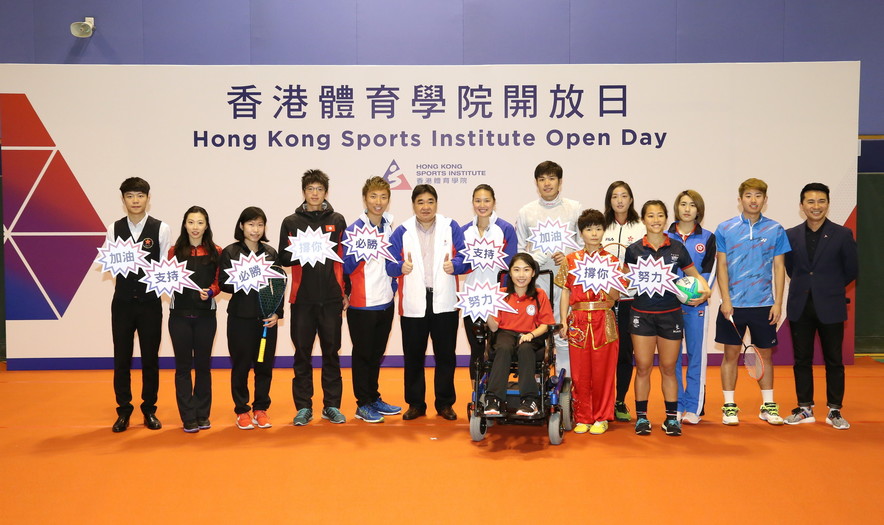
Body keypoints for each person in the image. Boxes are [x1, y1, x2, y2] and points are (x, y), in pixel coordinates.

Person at [625, 201, 710, 436]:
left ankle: (672, 418)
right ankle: (642, 418)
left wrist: (706, 290)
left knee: (669, 368)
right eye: (650, 215)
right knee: (642, 367)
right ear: (643, 219)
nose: (655, 220)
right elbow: (623, 281)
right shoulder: (633, 250)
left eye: (660, 215)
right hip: (641, 315)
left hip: (670, 315)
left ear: (665, 219)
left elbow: (695, 274)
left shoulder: (676, 248)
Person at [714, 178, 791, 426]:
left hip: (763, 304)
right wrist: (725, 299)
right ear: (740, 200)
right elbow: (722, 265)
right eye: (748, 195)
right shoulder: (724, 228)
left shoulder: (776, 229)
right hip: (733, 305)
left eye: (758, 195)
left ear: (765, 200)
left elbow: (779, 267)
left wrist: (778, 303)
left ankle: (768, 406)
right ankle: (729, 406)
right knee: (730, 355)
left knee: (765, 356)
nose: (753, 200)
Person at [386, 184, 466, 421]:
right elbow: (388, 264)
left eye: (430, 201)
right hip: (413, 302)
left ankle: (444, 404)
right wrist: (400, 267)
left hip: (444, 301)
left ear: (436, 204)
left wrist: (457, 265)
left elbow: (465, 256)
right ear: (413, 205)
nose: (425, 207)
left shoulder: (451, 227)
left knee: (445, 355)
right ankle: (416, 404)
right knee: (413, 356)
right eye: (420, 202)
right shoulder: (402, 230)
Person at [783, 183, 858, 429]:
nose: (816, 206)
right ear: (802, 205)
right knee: (801, 359)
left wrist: (829, 287)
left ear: (828, 203)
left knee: (833, 360)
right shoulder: (791, 234)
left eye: (821, 201)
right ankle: (805, 408)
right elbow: (791, 269)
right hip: (800, 305)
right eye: (811, 202)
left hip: (831, 306)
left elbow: (851, 270)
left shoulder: (842, 234)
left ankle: (835, 410)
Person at [278, 170, 349, 426]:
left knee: (332, 353)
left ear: (325, 192)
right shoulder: (291, 221)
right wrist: (306, 250)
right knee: (302, 354)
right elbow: (283, 258)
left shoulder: (338, 220)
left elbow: (345, 257)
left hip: (331, 298)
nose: (315, 193)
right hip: (303, 299)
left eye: (319, 189)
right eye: (311, 189)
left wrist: (346, 292)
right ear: (304, 192)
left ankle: (331, 405)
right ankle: (303, 407)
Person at [108, 177, 172, 433]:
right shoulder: (114, 228)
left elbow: (166, 265)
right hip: (122, 302)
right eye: (130, 196)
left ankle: (149, 409)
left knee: (150, 359)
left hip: (150, 303)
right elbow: (113, 265)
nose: (135, 201)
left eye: (140, 196)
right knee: (121, 359)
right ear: (123, 200)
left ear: (148, 198)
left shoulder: (161, 228)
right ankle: (123, 410)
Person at [556, 209, 623, 435]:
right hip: (579, 320)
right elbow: (565, 291)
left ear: (604, 231)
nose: (594, 233)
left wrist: (610, 282)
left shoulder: (612, 261)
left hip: (604, 319)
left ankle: (602, 416)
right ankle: (583, 416)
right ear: (581, 232)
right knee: (580, 372)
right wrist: (564, 321)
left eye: (598, 228)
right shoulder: (570, 260)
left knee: (604, 372)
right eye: (588, 229)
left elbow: (616, 296)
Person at [342, 176, 402, 423]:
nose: (379, 202)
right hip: (361, 303)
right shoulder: (354, 229)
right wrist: (361, 252)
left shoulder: (389, 226)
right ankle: (362, 404)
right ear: (365, 199)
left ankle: (373, 397)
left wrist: (397, 280)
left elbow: (391, 264)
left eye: (383, 197)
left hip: (385, 301)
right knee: (363, 355)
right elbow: (345, 265)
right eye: (373, 196)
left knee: (376, 353)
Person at [515, 161, 582, 380]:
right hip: (538, 283)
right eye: (542, 179)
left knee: (563, 332)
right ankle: (536, 385)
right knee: (537, 332)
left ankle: (566, 384)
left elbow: (584, 245)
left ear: (560, 182)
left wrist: (569, 256)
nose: (547, 183)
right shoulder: (527, 211)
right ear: (536, 183)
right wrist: (534, 260)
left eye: (551, 178)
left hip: (566, 284)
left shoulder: (574, 208)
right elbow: (519, 249)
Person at [219, 207, 284, 430]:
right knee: (241, 366)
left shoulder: (270, 253)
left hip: (266, 321)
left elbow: (279, 285)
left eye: (259, 225)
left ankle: (260, 409)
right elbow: (223, 285)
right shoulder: (230, 252)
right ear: (241, 226)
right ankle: (242, 410)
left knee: (264, 366)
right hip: (240, 320)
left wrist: (277, 313)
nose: (255, 229)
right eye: (250, 224)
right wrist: (244, 277)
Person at [167, 206, 222, 433]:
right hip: (179, 317)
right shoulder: (173, 251)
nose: (195, 227)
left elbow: (220, 282)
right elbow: (165, 278)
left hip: (205, 317)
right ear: (185, 224)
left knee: (202, 367)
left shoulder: (216, 251)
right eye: (191, 222)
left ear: (206, 225)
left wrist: (211, 291)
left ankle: (202, 414)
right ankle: (188, 416)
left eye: (200, 222)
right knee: (182, 367)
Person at [666, 190, 717, 425]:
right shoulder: (665, 235)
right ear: (677, 208)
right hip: (668, 305)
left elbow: (709, 270)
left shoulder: (707, 237)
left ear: (699, 209)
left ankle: (693, 407)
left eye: (692, 205)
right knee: (672, 357)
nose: (687, 208)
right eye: (683, 204)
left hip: (697, 305)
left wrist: (702, 293)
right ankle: (675, 405)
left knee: (696, 356)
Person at [483, 253, 555, 417]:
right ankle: (493, 399)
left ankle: (530, 400)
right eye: (516, 270)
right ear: (510, 273)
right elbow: (494, 328)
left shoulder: (539, 295)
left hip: (532, 335)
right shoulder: (500, 294)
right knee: (503, 347)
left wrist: (531, 334)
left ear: (533, 273)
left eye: (526, 270)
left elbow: (546, 324)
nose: (521, 275)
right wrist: (486, 312)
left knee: (525, 348)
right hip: (505, 333)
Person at [461, 184, 517, 381]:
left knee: (497, 349)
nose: (482, 205)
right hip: (472, 298)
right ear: (472, 203)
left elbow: (510, 267)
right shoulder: (464, 231)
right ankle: (477, 396)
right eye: (478, 200)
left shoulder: (506, 229)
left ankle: (495, 394)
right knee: (476, 350)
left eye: (486, 200)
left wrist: (504, 296)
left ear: (494, 202)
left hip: (498, 298)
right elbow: (460, 265)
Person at [602, 180, 646, 423]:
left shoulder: (641, 228)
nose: (619, 200)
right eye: (614, 196)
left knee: (625, 353)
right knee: (604, 352)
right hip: (604, 301)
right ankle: (603, 401)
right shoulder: (601, 227)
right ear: (609, 200)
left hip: (631, 299)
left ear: (631, 199)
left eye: (624, 196)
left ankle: (620, 400)